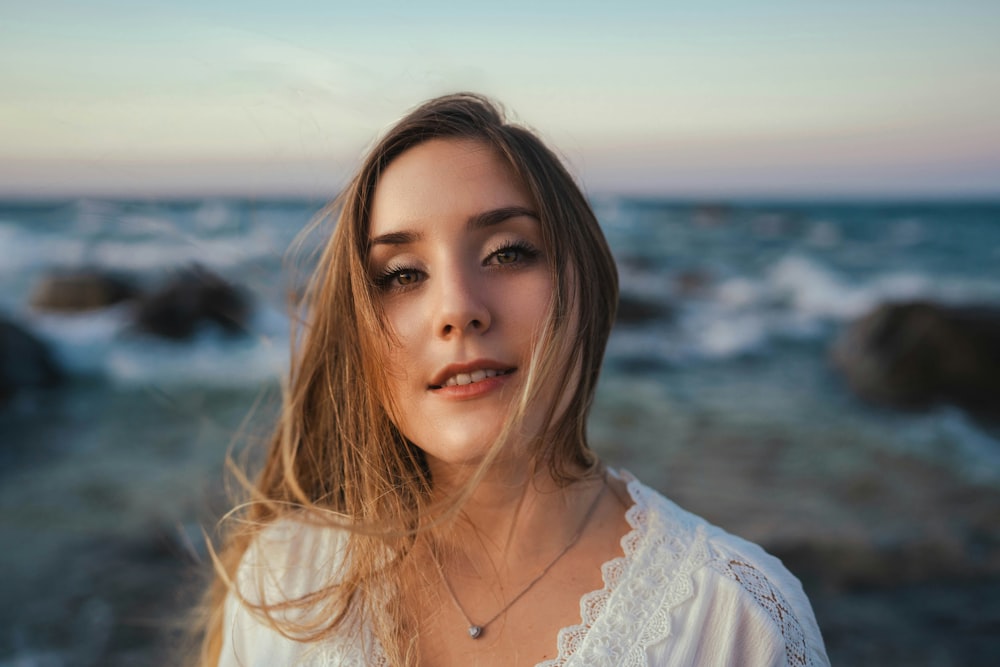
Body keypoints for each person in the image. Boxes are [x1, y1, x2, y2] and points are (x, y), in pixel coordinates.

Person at [198, 93, 829, 666]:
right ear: (357, 332)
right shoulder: (284, 586)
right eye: (400, 274)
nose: (456, 308)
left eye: (507, 253)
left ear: (585, 283)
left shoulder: (737, 621)